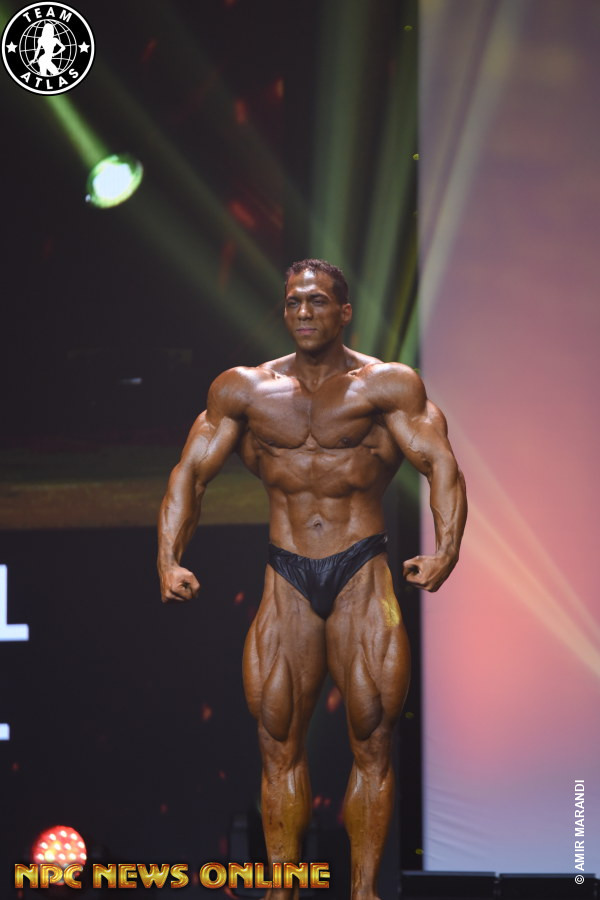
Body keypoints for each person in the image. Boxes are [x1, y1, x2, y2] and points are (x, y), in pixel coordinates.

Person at [157, 259, 467, 900]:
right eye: (294, 302)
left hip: (362, 571)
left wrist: (447, 551)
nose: (304, 312)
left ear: (343, 312)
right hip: (287, 576)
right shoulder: (244, 390)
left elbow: (442, 465)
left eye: (318, 301)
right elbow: (189, 473)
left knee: (372, 737)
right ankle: (282, 891)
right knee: (276, 741)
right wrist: (168, 558)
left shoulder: (386, 386)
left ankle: (364, 893)